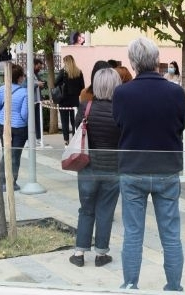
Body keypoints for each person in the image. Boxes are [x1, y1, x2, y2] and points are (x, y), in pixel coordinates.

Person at [113, 37, 185, 291]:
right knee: (171, 235)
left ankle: (130, 285)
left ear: (133, 63)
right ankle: (174, 287)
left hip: (133, 169)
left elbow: (119, 124)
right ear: (157, 61)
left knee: (133, 234)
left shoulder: (122, 93)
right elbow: (181, 124)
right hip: (167, 170)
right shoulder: (175, 91)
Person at [69, 67, 121, 268]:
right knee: (106, 210)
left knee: (86, 209)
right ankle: (101, 254)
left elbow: (77, 130)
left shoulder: (85, 108)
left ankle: (79, 253)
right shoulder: (120, 110)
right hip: (113, 167)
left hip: (88, 166)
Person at [0, 63, 29, 191]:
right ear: (20, 78)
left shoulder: (2, 89)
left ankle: (2, 181)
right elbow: (25, 113)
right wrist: (22, 121)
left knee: (6, 152)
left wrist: (3, 117)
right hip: (20, 127)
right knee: (15, 154)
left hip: (4, 124)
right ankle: (12, 182)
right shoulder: (24, 92)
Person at [55, 55, 85, 145]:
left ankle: (66, 141)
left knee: (64, 121)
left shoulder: (63, 72)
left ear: (65, 62)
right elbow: (82, 87)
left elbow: (55, 83)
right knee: (74, 121)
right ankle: (75, 139)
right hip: (75, 100)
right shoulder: (79, 72)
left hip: (64, 100)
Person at [32, 59, 45, 140]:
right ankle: (33, 138)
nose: (39, 68)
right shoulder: (28, 73)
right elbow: (26, 85)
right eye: (39, 66)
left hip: (38, 100)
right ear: (34, 64)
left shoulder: (37, 74)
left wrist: (42, 84)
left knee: (38, 119)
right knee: (32, 119)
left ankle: (39, 138)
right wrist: (37, 84)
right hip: (32, 100)